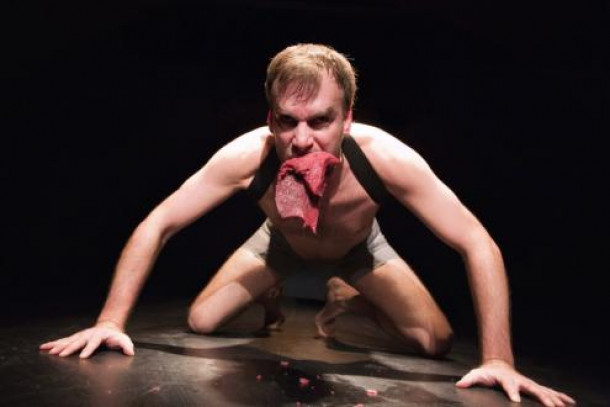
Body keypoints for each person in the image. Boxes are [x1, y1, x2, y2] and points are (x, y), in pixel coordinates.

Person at [40, 44, 574, 406]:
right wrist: (110, 321)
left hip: (359, 250)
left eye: (320, 120)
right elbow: (158, 223)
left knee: (434, 342)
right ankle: (270, 298)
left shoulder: (387, 158)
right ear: (270, 117)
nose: (301, 140)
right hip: (279, 244)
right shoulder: (246, 157)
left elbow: (476, 241)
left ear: (348, 117)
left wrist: (498, 359)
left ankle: (345, 301)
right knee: (202, 322)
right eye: (287, 121)